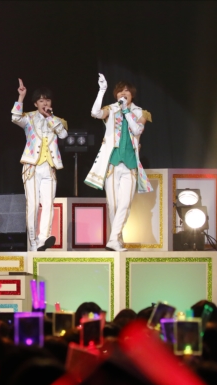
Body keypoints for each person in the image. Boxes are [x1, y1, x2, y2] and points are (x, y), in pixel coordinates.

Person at [85, 74, 153, 252]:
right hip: (113, 164)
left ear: (132, 95)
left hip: (130, 165)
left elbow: (137, 129)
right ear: (116, 94)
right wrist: (101, 90)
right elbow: (95, 113)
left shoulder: (140, 112)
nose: (123, 93)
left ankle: (113, 239)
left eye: (127, 91)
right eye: (120, 91)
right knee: (114, 205)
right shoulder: (111, 109)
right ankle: (116, 240)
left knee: (125, 204)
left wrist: (126, 112)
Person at [11, 79, 68, 251]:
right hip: (32, 166)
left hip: (49, 167)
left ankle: (43, 238)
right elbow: (15, 118)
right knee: (33, 205)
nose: (45, 103)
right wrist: (21, 97)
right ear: (36, 103)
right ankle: (33, 241)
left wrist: (51, 117)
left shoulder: (57, 120)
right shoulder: (28, 118)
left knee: (48, 204)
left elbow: (63, 135)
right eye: (41, 100)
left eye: (47, 100)